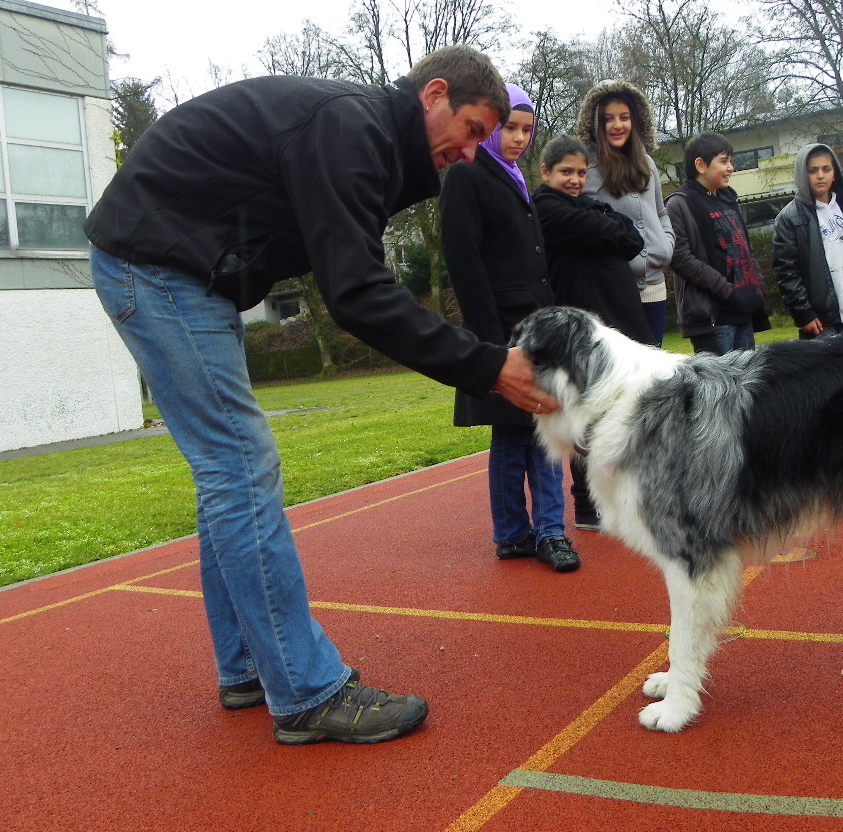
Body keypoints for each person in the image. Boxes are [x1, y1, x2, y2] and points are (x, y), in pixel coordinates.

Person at [84, 46, 557, 746]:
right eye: (474, 131)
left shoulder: (375, 142)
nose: (472, 152)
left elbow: (352, 270)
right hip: (156, 267)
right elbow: (358, 294)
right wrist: (489, 367)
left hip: (185, 270)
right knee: (240, 465)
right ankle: (306, 692)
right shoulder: (351, 130)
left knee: (229, 470)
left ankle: (249, 665)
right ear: (434, 94)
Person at [440, 86, 580, 573]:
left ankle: (550, 531)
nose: (520, 138)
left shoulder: (515, 177)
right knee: (512, 433)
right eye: (510, 128)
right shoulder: (467, 174)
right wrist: (492, 347)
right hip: (501, 331)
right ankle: (514, 534)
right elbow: (465, 263)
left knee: (542, 428)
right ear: (491, 126)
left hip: (536, 328)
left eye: (527, 129)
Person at [533, 134, 653, 531]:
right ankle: (587, 503)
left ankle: (624, 495)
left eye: (582, 173)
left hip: (619, 323)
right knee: (589, 415)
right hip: (585, 331)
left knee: (626, 410)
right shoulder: (545, 208)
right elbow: (606, 230)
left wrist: (605, 222)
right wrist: (607, 224)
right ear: (546, 172)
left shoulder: (585, 205)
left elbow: (633, 239)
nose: (575, 180)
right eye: (566, 172)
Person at [576, 79, 675, 345]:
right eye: (608, 118)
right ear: (596, 124)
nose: (617, 125)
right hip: (613, 291)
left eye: (624, 117)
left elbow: (661, 212)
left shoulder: (647, 163)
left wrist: (666, 245)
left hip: (654, 286)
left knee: (654, 363)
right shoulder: (585, 170)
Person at [665, 132, 771, 354]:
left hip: (743, 311)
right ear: (700, 165)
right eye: (723, 161)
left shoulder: (728, 199)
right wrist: (726, 291)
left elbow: (745, 248)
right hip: (713, 318)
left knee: (748, 376)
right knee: (721, 377)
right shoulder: (680, 203)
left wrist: (758, 287)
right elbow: (680, 258)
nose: (731, 167)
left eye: (731, 161)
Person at [772, 143, 843, 338]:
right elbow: (787, 272)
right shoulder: (789, 219)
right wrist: (803, 313)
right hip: (820, 323)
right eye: (813, 170)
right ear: (802, 175)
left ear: (835, 173)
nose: (820, 175)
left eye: (826, 169)